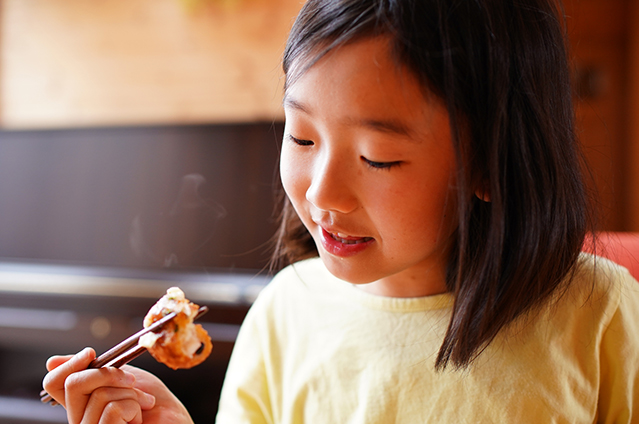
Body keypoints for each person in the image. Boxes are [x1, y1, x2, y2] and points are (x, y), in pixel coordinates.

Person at [42, 0, 639, 422]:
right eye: (301, 137)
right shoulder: (285, 314)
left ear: (490, 162)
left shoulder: (598, 314)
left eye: (377, 158)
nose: (322, 194)